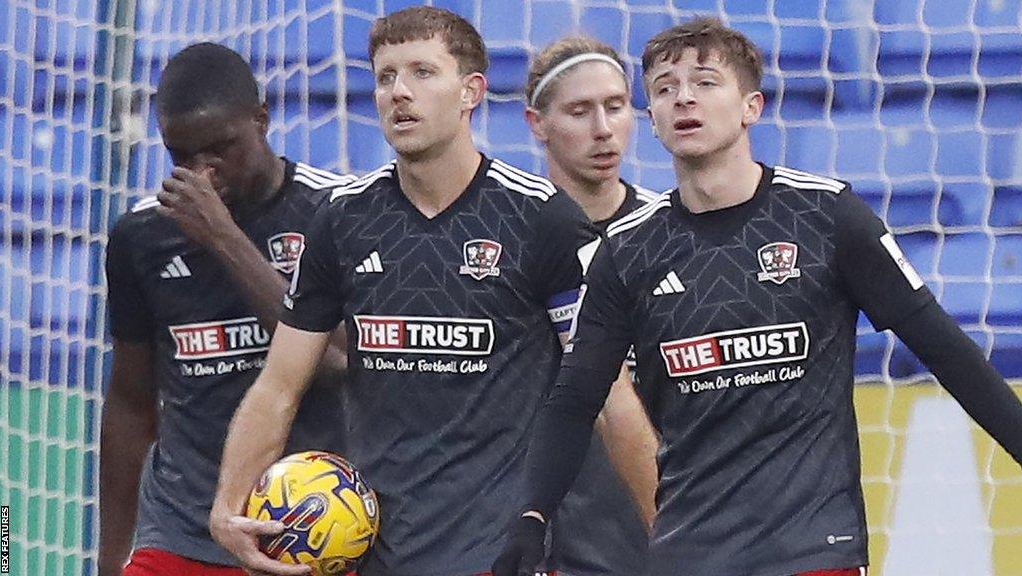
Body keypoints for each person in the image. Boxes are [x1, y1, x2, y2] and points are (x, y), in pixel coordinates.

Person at [494, 16, 1022, 576]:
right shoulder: (627, 252)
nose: (683, 99)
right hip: (689, 555)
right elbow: (575, 399)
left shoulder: (825, 217)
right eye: (666, 89)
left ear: (752, 106)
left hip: (815, 550)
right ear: (653, 119)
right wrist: (532, 514)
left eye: (704, 82)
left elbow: (944, 348)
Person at [209, 7, 654, 576]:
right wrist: (227, 506)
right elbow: (278, 386)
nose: (399, 93)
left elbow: (610, 400)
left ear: (470, 92)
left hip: (496, 555)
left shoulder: (541, 220)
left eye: (422, 72)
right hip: (373, 554)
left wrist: (668, 536)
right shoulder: (343, 220)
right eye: (386, 76)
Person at [98, 43, 352, 576]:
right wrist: (110, 556)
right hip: (180, 528)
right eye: (182, 157)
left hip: (310, 531)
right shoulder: (141, 237)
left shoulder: (335, 211)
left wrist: (223, 238)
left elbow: (333, 363)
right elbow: (129, 402)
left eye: (221, 148)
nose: (202, 173)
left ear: (261, 121)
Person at [522, 36, 658, 576]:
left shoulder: (667, 234)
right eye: (580, 111)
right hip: (533, 520)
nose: (603, 129)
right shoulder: (509, 235)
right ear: (538, 123)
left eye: (616, 106)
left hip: (651, 516)